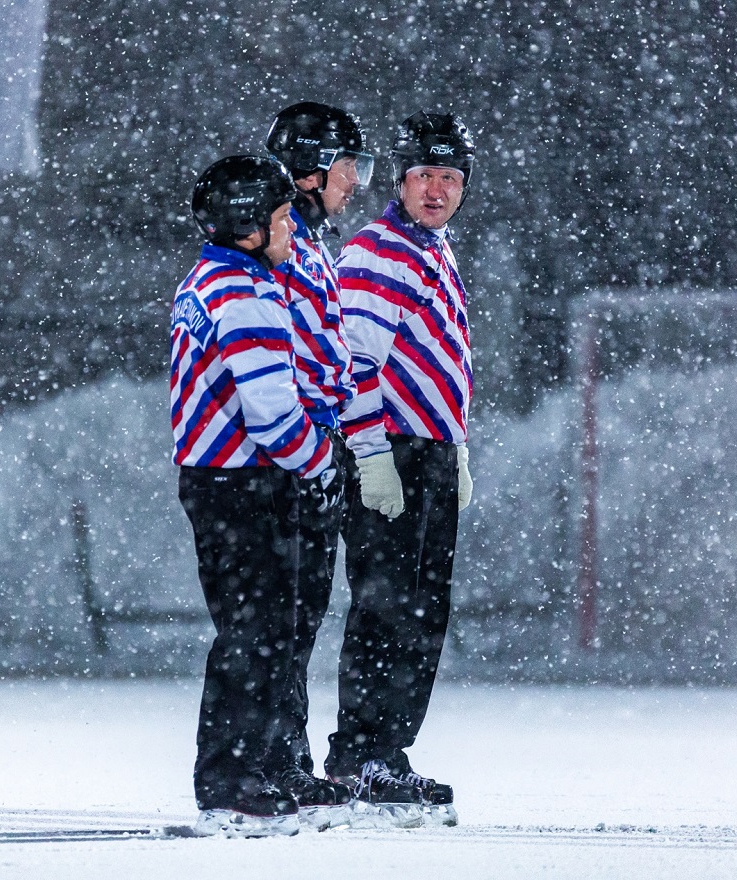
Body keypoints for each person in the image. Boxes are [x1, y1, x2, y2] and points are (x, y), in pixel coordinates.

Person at [171, 154, 335, 838]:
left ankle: (259, 764)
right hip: (240, 481)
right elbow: (272, 413)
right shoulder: (246, 292)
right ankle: (232, 776)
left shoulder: (212, 277)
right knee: (257, 632)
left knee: (263, 629)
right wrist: (322, 465)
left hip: (221, 478)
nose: (290, 233)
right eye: (277, 221)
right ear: (246, 228)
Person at [325, 111, 476, 828]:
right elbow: (353, 365)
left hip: (431, 450)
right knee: (385, 607)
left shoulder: (434, 248)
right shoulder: (382, 251)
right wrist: (372, 454)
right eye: (424, 176)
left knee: (421, 612)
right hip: (393, 452)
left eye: (450, 178)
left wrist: (457, 445)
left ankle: (389, 749)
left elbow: (437, 357)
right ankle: (360, 753)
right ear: (401, 180)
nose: (437, 190)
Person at [261, 101, 374, 825]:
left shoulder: (305, 240)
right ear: (309, 170)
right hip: (294, 451)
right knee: (283, 615)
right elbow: (298, 353)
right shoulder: (284, 246)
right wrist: (313, 444)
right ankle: (275, 764)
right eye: (345, 168)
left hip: (314, 443)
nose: (354, 183)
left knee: (299, 614)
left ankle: (288, 761)